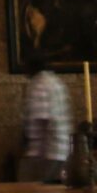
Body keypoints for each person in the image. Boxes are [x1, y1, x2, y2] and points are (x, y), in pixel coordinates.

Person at [18, 53, 71, 183]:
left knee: (29, 191)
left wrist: (26, 142)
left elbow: (42, 117)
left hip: (47, 151)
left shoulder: (39, 84)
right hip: (61, 148)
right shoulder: (55, 81)